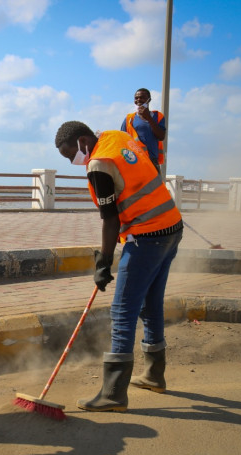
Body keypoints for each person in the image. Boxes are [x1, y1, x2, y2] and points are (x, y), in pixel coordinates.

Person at [54, 121, 183, 412]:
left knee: (123, 311)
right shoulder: (117, 137)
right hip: (172, 227)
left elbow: (110, 219)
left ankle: (113, 394)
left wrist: (103, 262)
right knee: (151, 304)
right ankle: (154, 375)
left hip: (147, 237)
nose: (72, 160)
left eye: (70, 154)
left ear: (83, 141)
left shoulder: (99, 163)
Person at [121, 88, 166, 171]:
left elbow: (161, 136)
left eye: (142, 97)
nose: (139, 100)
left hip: (152, 161)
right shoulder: (129, 119)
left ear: (149, 100)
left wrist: (148, 117)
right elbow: (122, 141)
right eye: (136, 98)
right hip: (134, 161)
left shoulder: (158, 116)